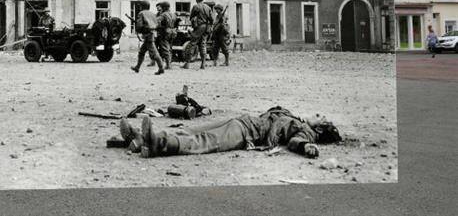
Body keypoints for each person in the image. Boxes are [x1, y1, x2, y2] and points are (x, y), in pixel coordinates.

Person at [118, 106, 342, 159]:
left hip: (247, 133)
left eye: (321, 117)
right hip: (241, 121)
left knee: (203, 141)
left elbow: (296, 142)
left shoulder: (306, 132)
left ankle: (158, 144)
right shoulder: (295, 117)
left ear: (319, 128)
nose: (318, 115)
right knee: (191, 129)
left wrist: (307, 147)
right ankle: (139, 138)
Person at [131, 0, 165, 75]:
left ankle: (161, 68)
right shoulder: (153, 14)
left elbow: (139, 25)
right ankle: (137, 67)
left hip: (147, 35)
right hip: (152, 34)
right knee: (141, 52)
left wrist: (139, 29)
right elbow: (157, 24)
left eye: (140, 6)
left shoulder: (141, 13)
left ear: (142, 6)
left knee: (154, 53)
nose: (139, 7)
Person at [182, 0, 213, 69]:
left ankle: (187, 64)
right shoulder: (208, 7)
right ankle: (203, 64)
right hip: (206, 27)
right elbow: (211, 19)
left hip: (199, 27)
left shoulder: (196, 6)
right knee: (203, 45)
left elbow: (191, 17)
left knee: (192, 44)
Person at [155, 1, 177, 70]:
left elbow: (156, 21)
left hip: (165, 32)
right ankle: (169, 63)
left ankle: (168, 65)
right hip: (173, 32)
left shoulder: (163, 14)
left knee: (165, 48)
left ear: (164, 7)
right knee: (169, 47)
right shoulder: (173, 14)